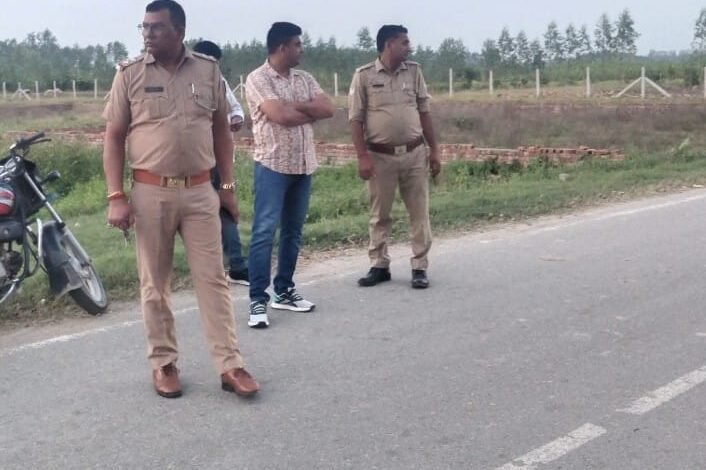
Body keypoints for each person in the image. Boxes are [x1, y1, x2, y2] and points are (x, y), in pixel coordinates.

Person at [102, 0, 258, 399]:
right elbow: (114, 136)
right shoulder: (130, 74)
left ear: (180, 31)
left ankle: (230, 364)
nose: (148, 34)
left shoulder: (208, 70)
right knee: (154, 284)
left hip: (201, 192)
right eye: (144, 27)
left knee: (214, 280)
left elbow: (222, 132)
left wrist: (227, 189)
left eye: (156, 27)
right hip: (150, 192)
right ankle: (164, 362)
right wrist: (116, 195)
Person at [244, 21, 333, 328]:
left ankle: (284, 290)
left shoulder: (304, 78)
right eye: (297, 44)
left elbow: (327, 109)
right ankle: (258, 298)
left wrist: (295, 106)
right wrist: (306, 110)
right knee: (264, 232)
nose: (301, 50)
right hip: (272, 166)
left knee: (293, 232)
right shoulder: (258, 78)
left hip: (303, 166)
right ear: (282, 47)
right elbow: (279, 115)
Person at [348, 25, 441, 289]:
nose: (409, 47)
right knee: (380, 214)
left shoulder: (413, 72)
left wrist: (434, 149)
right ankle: (379, 264)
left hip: (414, 153)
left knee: (419, 212)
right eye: (404, 42)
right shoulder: (364, 76)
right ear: (389, 44)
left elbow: (424, 111)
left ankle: (419, 266)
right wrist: (362, 156)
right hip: (380, 156)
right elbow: (355, 120)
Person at [192, 40, 249, 286]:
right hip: (192, 161)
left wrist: (236, 118)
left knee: (225, 206)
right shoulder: (183, 84)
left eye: (215, 63)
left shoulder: (220, 82)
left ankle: (236, 264)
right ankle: (210, 267)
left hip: (218, 160)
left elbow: (236, 109)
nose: (211, 67)